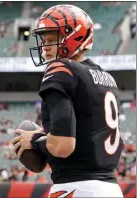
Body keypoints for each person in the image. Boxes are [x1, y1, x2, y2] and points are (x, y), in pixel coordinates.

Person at [11, 4, 124, 197]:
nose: (45, 47)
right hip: (111, 188)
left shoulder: (60, 70)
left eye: (53, 39)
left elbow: (63, 146)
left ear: (76, 36)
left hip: (75, 187)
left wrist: (35, 140)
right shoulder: (106, 77)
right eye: (44, 40)